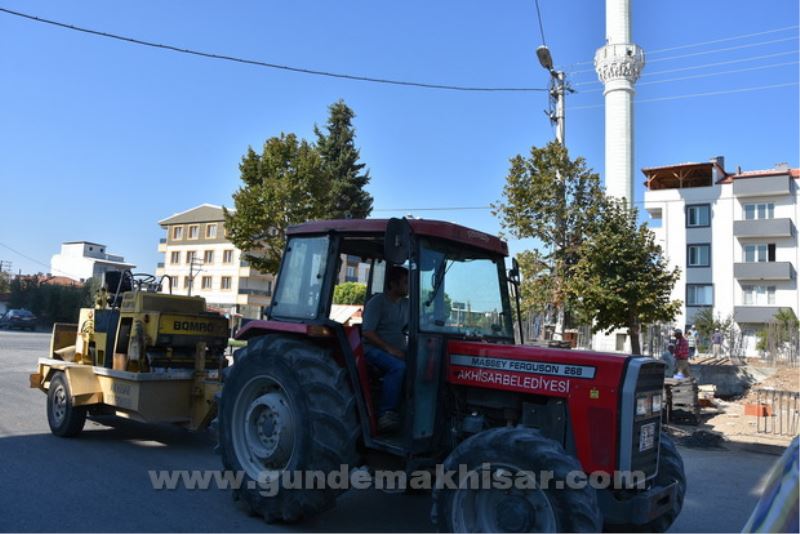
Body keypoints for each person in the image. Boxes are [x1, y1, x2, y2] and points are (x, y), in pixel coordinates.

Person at [362, 266, 409, 433]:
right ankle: (385, 414)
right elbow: (367, 332)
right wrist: (390, 349)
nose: (408, 286)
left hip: (398, 350)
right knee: (398, 367)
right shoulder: (377, 303)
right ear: (393, 284)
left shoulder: (406, 304)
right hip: (372, 349)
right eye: (405, 282)